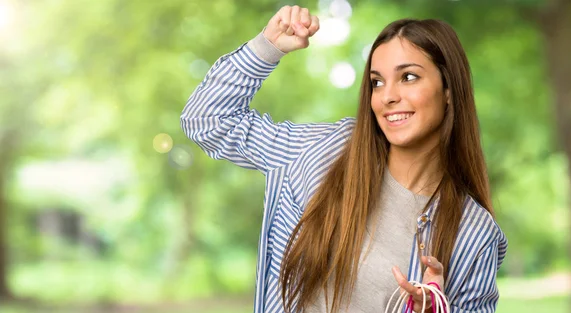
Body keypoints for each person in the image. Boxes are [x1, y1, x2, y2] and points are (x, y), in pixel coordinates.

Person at [181, 5, 507, 313]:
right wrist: (267, 47)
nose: (388, 96)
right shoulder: (324, 152)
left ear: (448, 89)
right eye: (377, 82)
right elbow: (207, 122)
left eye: (408, 77)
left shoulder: (473, 234)